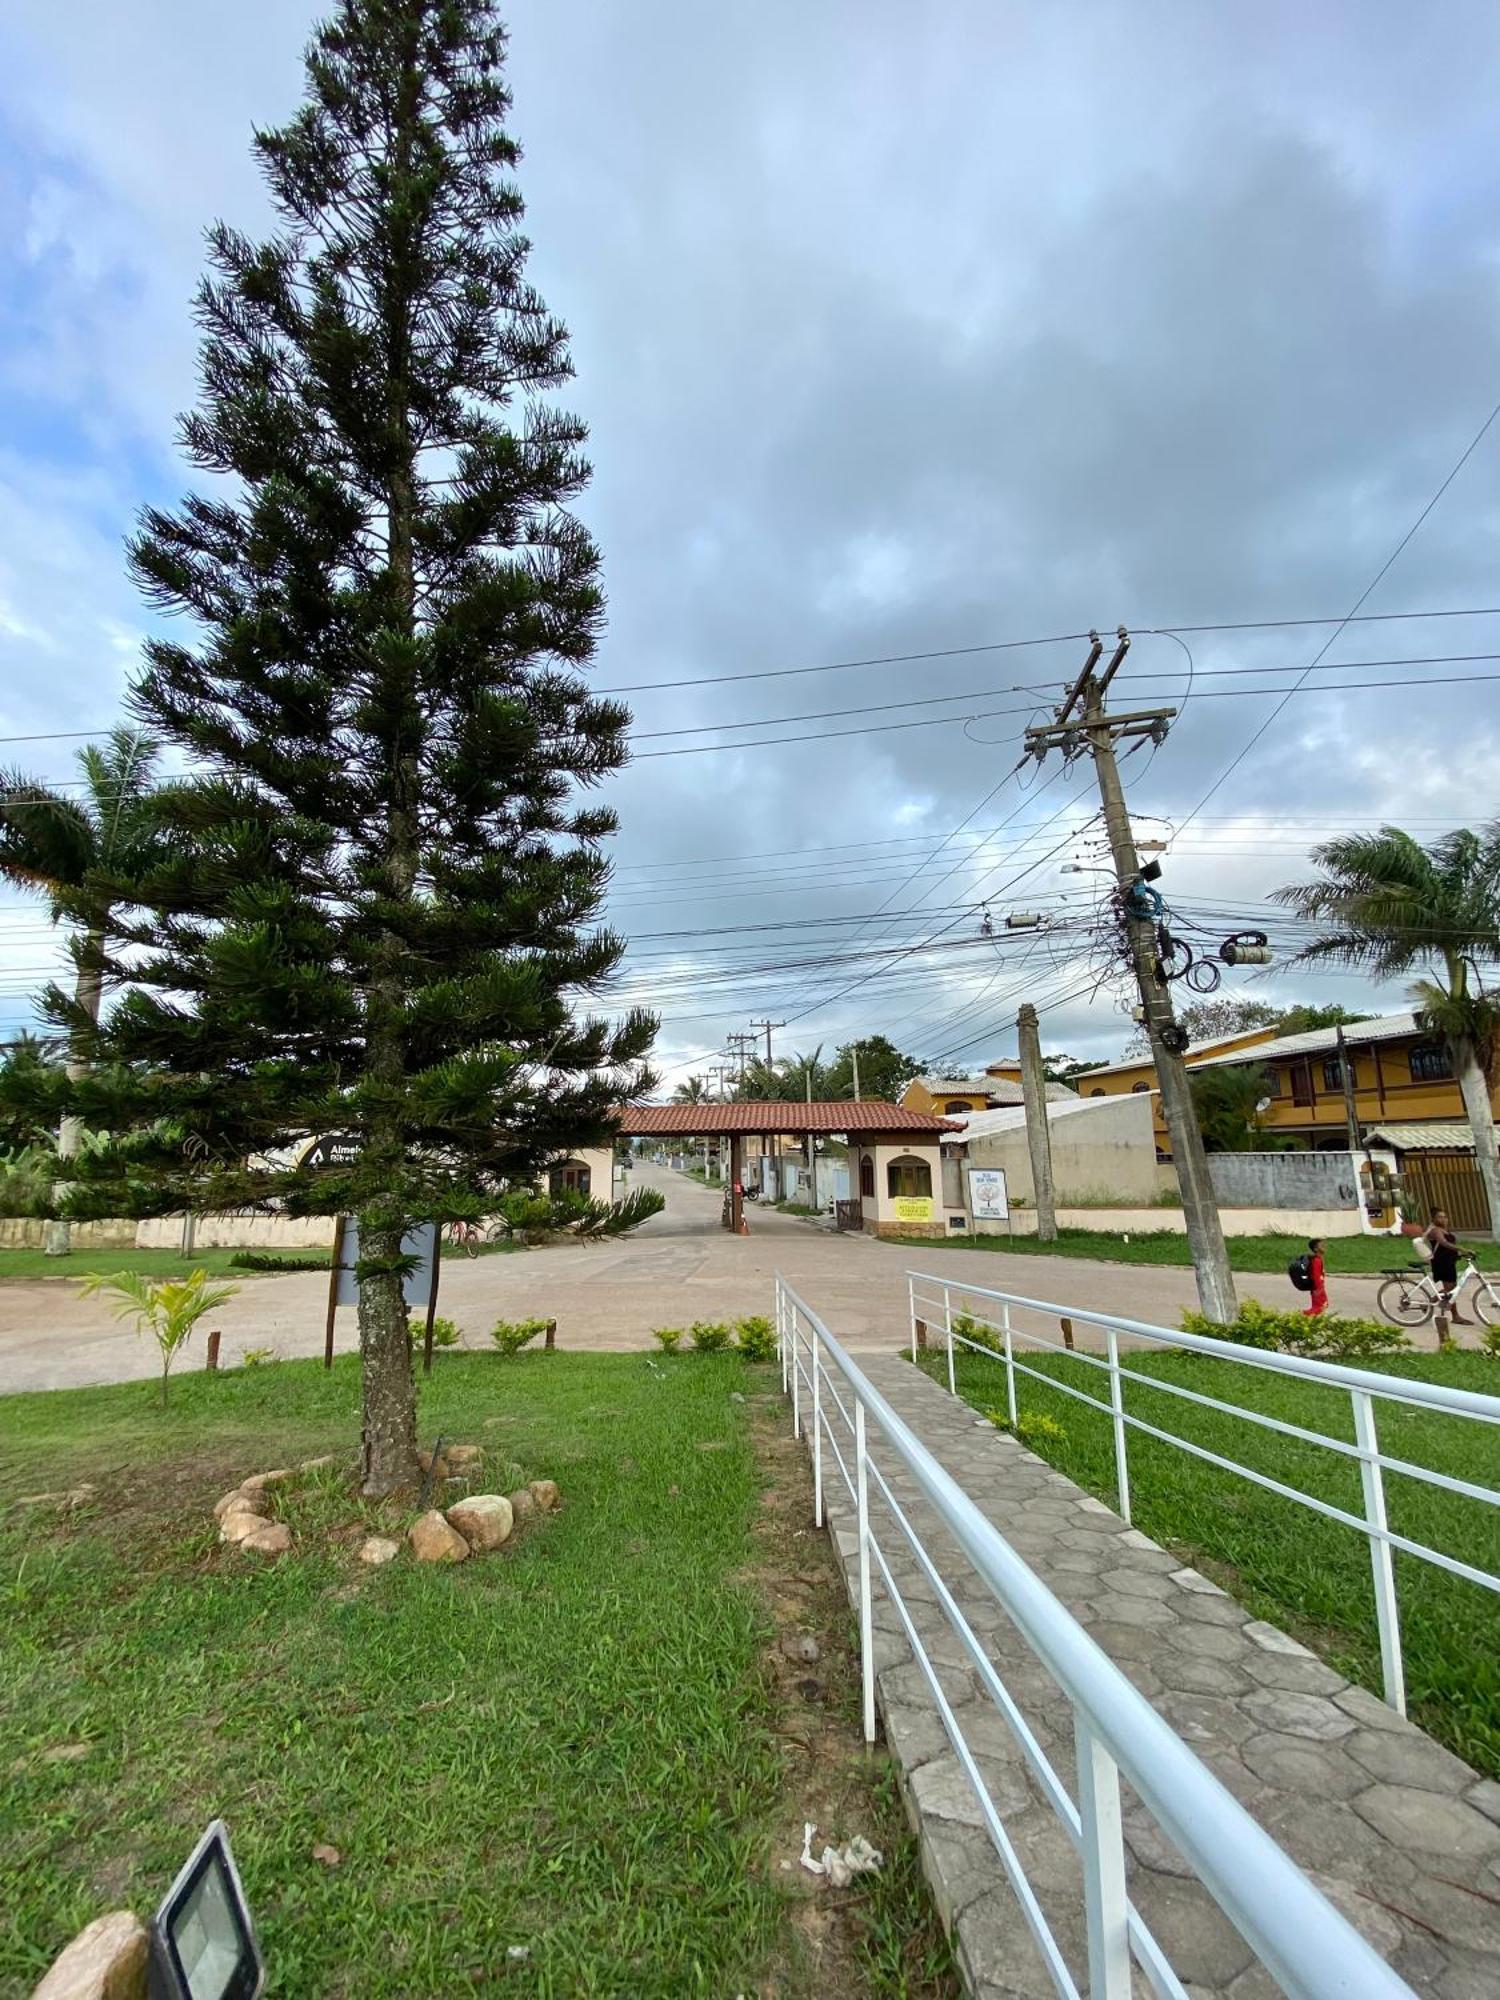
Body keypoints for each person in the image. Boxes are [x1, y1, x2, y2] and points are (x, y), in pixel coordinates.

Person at [1420, 1210, 1467, 1321]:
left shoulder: (1445, 1230)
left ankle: (1429, 1302)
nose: (1443, 1219)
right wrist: (1461, 1248)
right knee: (1450, 1290)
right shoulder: (1435, 1230)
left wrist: (1459, 1254)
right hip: (1442, 1263)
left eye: (1445, 1217)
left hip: (1449, 1261)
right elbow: (1443, 1243)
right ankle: (1455, 1316)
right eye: (1439, 1217)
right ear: (1434, 1219)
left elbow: (1449, 1246)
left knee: (1451, 1289)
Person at [1303, 1238, 1327, 1316]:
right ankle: (1304, 1315)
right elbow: (1315, 1276)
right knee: (1320, 1306)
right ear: (1316, 1249)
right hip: (1317, 1288)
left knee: (1320, 1306)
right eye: (1322, 1246)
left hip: (1317, 1287)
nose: (1324, 1247)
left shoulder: (1317, 1258)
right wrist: (1318, 1289)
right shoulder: (1316, 1260)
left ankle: (1309, 1317)